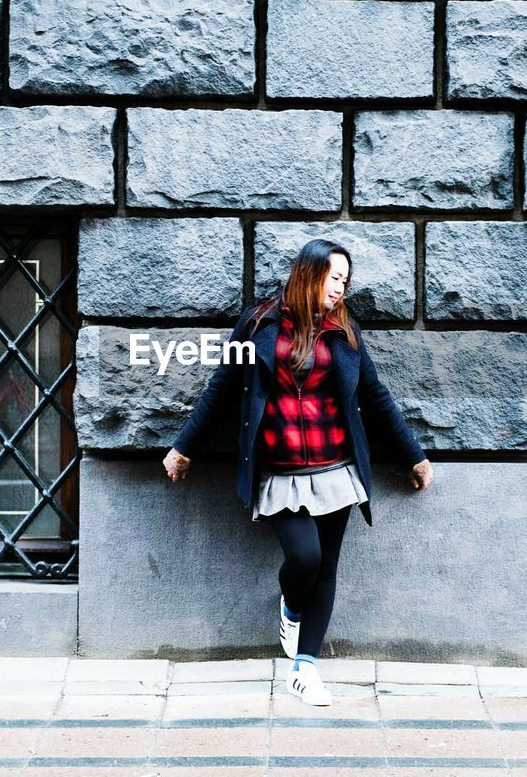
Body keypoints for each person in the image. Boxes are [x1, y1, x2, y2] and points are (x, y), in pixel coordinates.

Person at [162, 238, 433, 707]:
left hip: (335, 467)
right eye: (335, 279)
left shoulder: (345, 328)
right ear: (310, 274)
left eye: (347, 282)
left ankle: (304, 669)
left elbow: (373, 393)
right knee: (304, 559)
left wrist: (413, 454)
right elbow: (223, 386)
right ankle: (290, 605)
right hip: (278, 469)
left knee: (326, 566)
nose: (341, 289)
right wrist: (185, 447)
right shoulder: (259, 323)